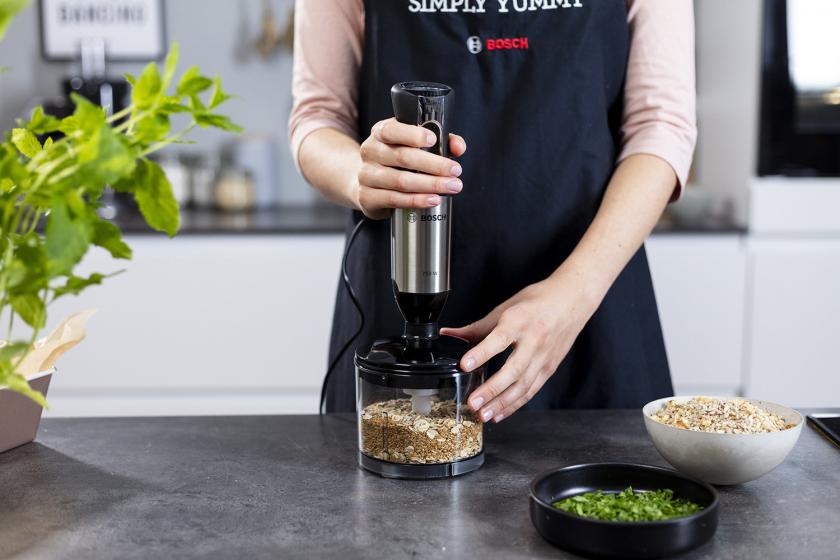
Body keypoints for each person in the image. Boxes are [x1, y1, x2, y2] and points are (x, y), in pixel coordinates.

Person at [289, 0, 696, 421]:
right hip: (399, 290)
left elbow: (661, 126)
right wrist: (361, 176)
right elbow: (319, 117)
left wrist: (575, 295)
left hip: (588, 299)